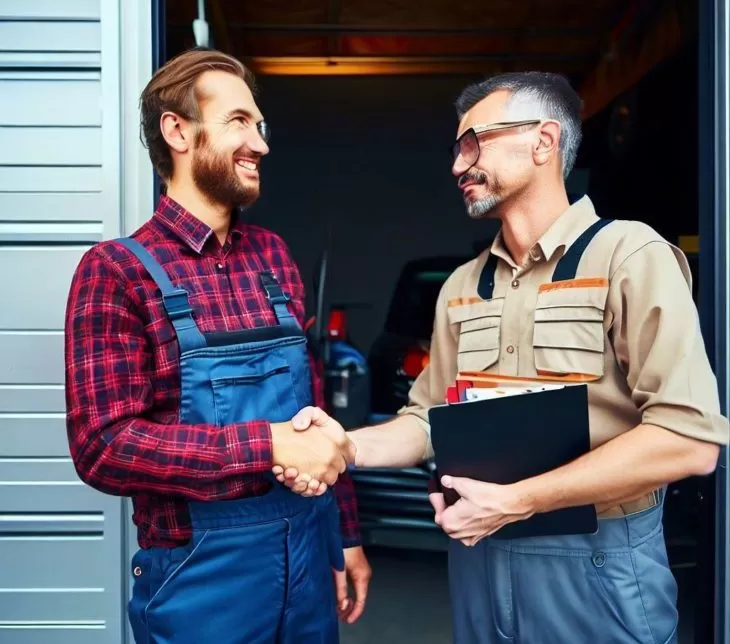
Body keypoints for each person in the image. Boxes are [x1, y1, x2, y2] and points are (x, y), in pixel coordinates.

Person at [274, 71, 729, 643]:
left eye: (473, 143)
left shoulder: (630, 256)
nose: (458, 166)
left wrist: (517, 501)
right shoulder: (461, 286)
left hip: (597, 563)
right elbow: (425, 421)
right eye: (455, 149)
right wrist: (345, 444)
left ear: (543, 141)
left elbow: (689, 440)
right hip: (479, 558)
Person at [64, 47, 370, 644]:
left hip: (308, 555)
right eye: (238, 122)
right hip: (201, 579)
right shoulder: (116, 271)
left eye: (260, 125)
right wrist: (266, 443)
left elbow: (313, 415)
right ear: (177, 130)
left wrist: (346, 534)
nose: (260, 143)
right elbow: (102, 446)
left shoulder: (273, 256)